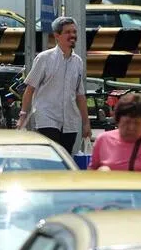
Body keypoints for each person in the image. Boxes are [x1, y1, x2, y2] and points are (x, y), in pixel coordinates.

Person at [16, 16, 92, 152]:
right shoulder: (44, 58)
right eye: (68, 32)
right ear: (57, 36)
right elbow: (30, 88)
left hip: (70, 121)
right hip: (47, 117)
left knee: (66, 157)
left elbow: (80, 95)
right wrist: (23, 116)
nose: (72, 35)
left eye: (74, 32)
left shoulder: (78, 62)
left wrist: (86, 123)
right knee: (52, 154)